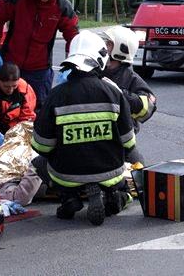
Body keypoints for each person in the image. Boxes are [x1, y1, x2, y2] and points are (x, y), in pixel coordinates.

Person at [32, 30, 136, 226]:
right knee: (122, 188)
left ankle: (68, 198)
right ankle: (115, 196)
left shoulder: (55, 95)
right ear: (100, 58)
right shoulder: (113, 92)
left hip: (67, 174)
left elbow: (41, 146)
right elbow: (129, 142)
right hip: (110, 172)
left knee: (38, 162)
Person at [0, 0, 78, 111]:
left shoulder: (63, 7)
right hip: (11, 62)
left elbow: (73, 37)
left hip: (40, 70)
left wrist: (70, 65)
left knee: (38, 109)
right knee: (4, 107)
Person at [100, 26, 157, 164]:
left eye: (108, 44)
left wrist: (118, 92)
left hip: (121, 141)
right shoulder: (95, 71)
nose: (103, 46)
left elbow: (147, 109)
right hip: (95, 136)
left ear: (121, 50)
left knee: (139, 167)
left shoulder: (131, 78)